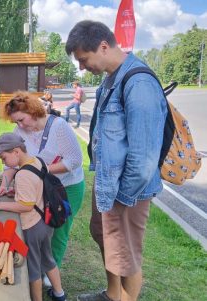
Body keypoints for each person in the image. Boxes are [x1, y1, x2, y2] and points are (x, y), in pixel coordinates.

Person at [65, 20, 167, 301]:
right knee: (104, 237)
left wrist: (121, 198)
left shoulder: (139, 83)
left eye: (84, 60)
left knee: (126, 252)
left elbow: (145, 158)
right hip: (109, 183)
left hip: (128, 191)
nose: (82, 67)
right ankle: (112, 294)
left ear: (104, 46)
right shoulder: (111, 79)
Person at [0, 91, 85, 279]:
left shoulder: (59, 126)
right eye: (15, 122)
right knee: (42, 226)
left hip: (67, 187)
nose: (19, 125)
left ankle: (51, 274)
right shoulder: (19, 131)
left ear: (33, 112)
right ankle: (42, 266)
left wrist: (38, 170)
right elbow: (10, 160)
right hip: (41, 184)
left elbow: (74, 161)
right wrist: (5, 183)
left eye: (21, 119)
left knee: (58, 229)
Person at [0, 133, 66, 301]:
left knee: (34, 268)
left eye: (3, 158)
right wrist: (14, 191)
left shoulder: (22, 174)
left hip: (33, 226)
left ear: (16, 152)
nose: (3, 162)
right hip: (46, 220)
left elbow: (26, 206)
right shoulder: (37, 161)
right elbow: (36, 189)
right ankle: (59, 294)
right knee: (48, 258)